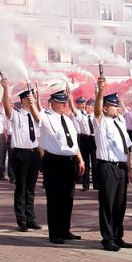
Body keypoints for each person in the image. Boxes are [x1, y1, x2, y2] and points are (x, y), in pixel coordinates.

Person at [39, 90, 85, 244]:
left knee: (68, 198)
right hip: (54, 161)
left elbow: (73, 142)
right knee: (55, 198)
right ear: (51, 102)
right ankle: (55, 233)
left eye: (65, 102)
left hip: (69, 161)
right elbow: (36, 113)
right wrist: (34, 101)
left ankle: (65, 230)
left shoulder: (68, 120)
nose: (65, 105)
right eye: (61, 102)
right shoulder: (46, 117)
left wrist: (80, 159)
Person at [93, 80, 132, 252]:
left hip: (121, 168)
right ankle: (108, 238)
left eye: (117, 106)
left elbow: (127, 146)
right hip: (107, 167)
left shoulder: (120, 122)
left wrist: (129, 167)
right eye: (113, 106)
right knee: (107, 204)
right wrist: (100, 92)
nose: (117, 109)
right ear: (104, 107)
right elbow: (96, 110)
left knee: (120, 204)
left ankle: (118, 236)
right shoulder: (100, 121)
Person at [1, 79, 43, 232]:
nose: (31, 99)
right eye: (30, 97)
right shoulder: (17, 114)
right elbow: (6, 107)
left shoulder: (35, 115)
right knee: (21, 187)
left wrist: (41, 153)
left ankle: (31, 218)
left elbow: (37, 136)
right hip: (20, 153)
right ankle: (22, 220)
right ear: (24, 99)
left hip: (33, 153)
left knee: (31, 188)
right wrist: (5, 89)